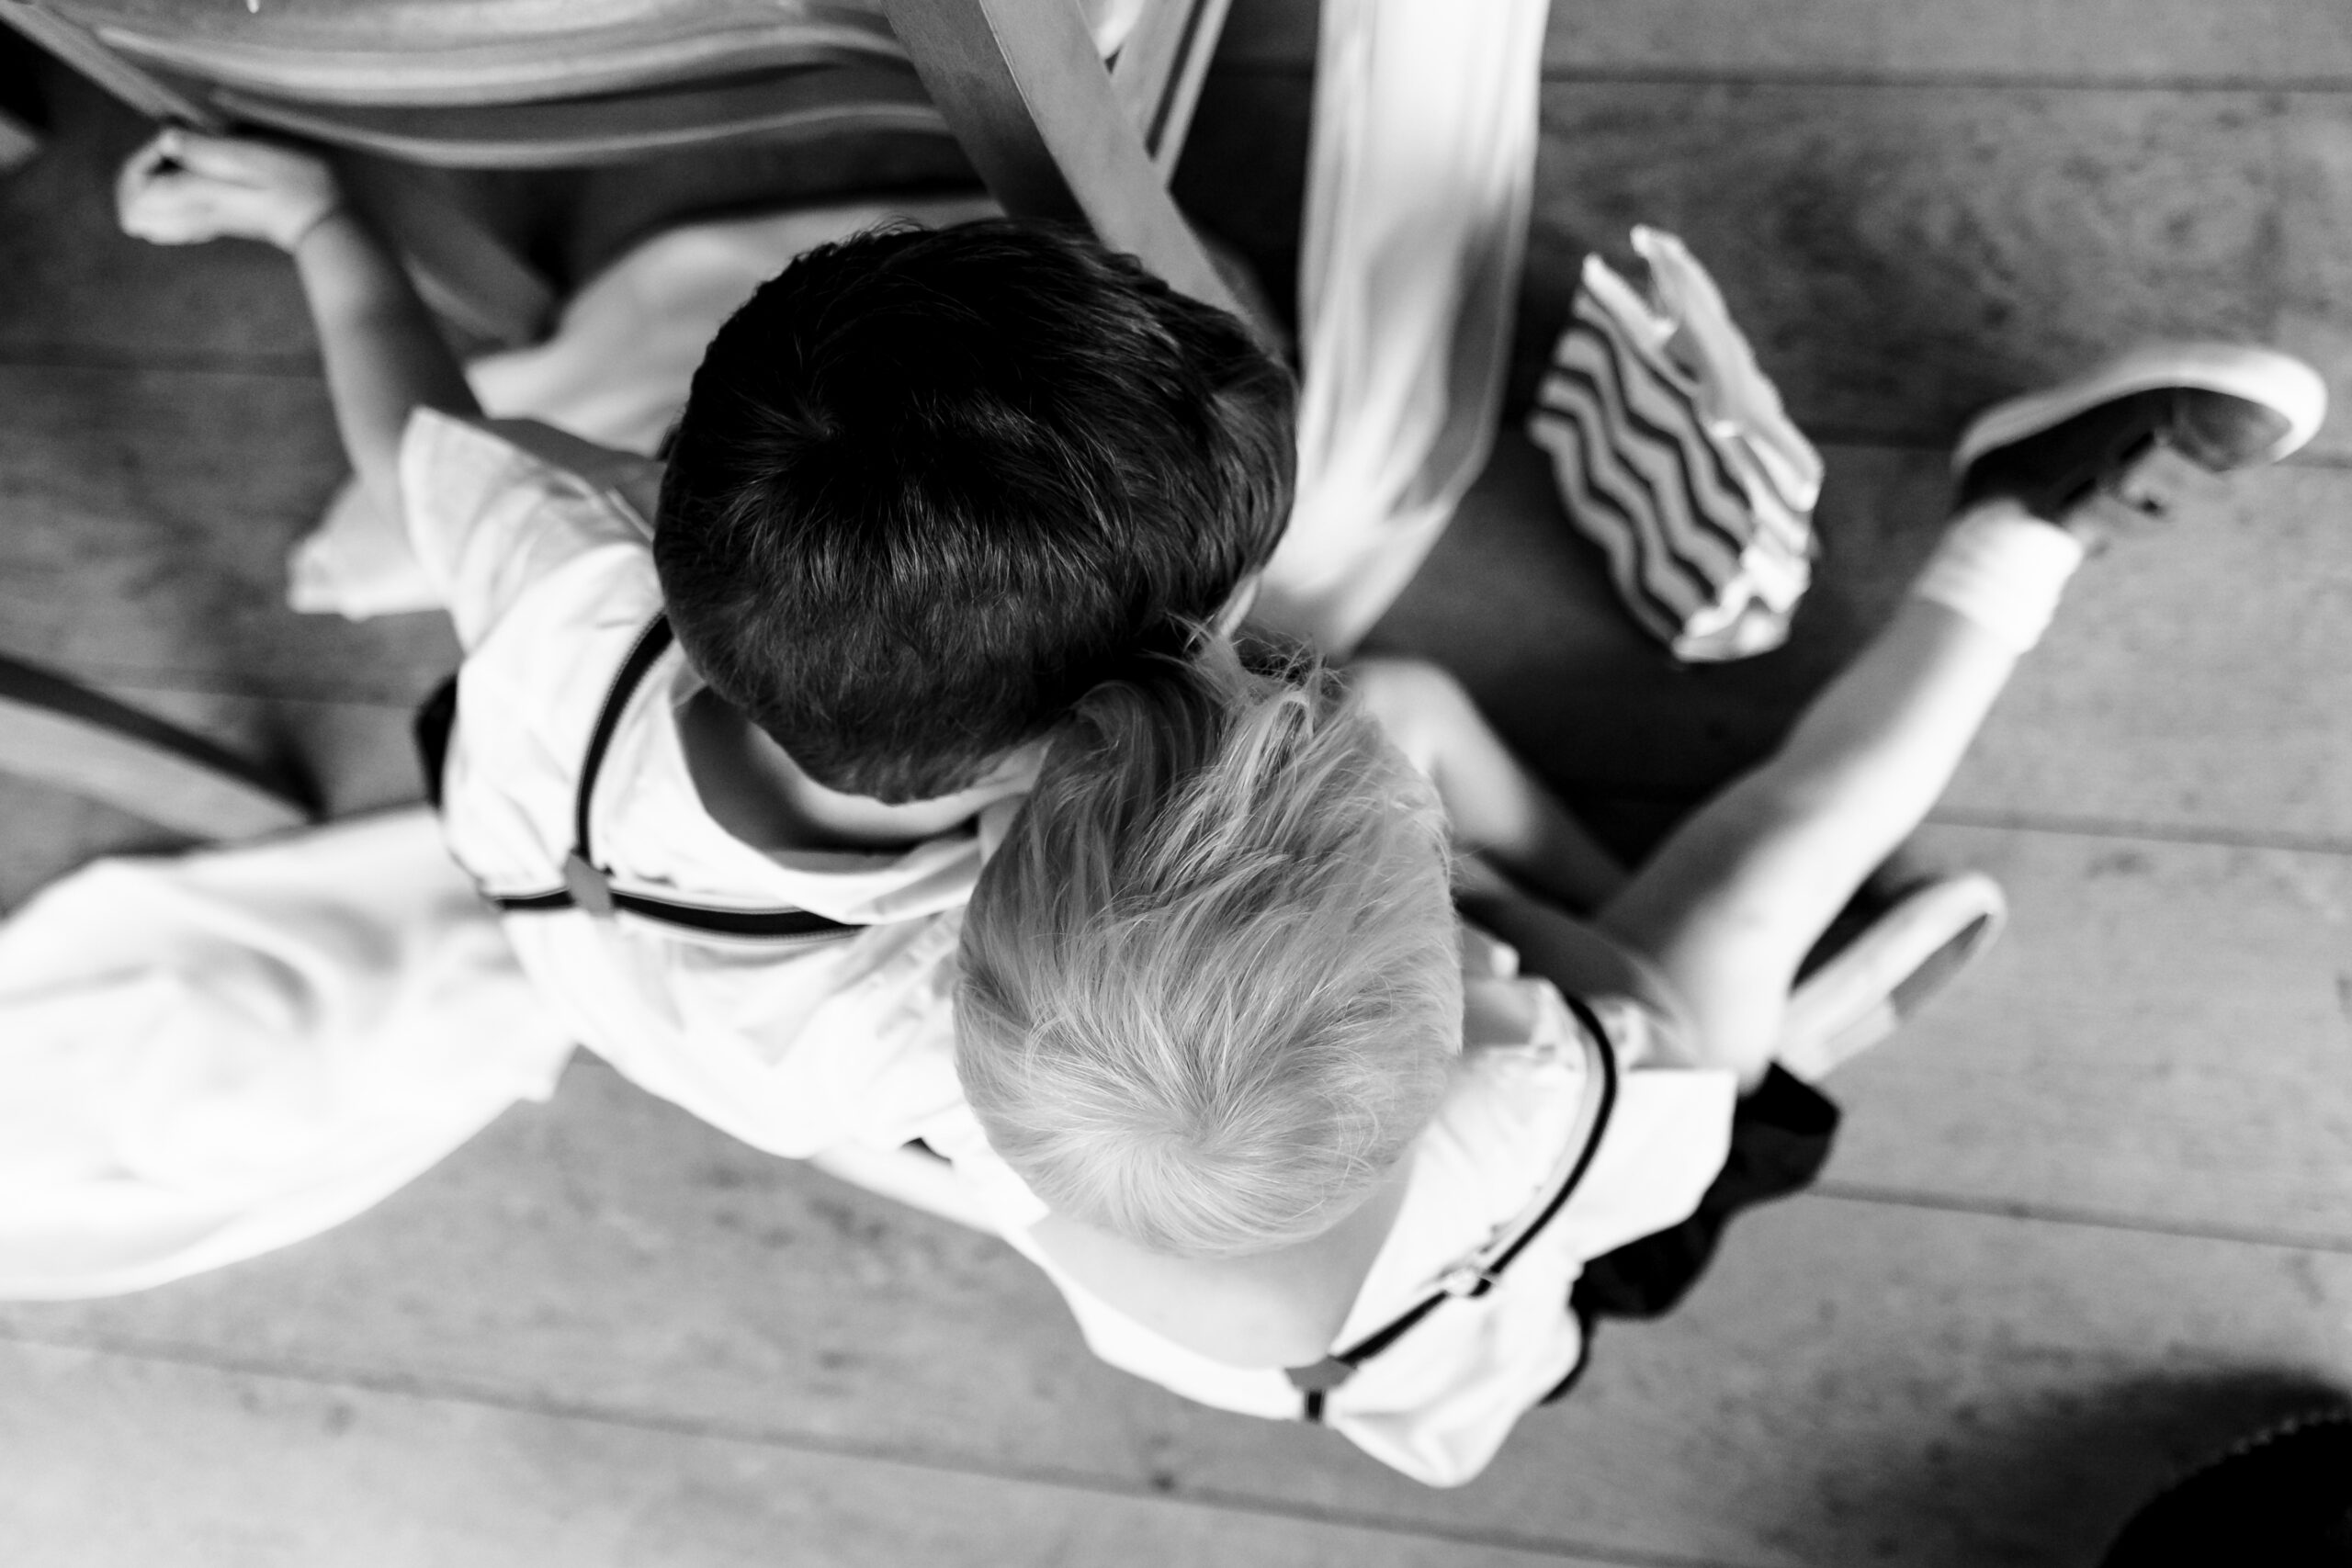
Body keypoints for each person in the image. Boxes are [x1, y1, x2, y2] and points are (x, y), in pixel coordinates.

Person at [109, 128, 1634, 1174]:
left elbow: (419, 450)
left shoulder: (567, 554)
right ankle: (1617, 913)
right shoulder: (1015, 985)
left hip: (627, 933)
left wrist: (321, 221)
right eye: (1224, 622)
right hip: (707, 975)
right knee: (1414, 728)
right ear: (1090, 752)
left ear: (664, 500)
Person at [947, 342, 2329, 1484]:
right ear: (1453, 978)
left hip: (1439, 1273)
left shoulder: (1010, 1123)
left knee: (1407, 715)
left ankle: (1784, 994)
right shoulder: (1541, 1093)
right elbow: (1633, 1020)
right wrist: (1516, 906)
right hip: (1602, 1213)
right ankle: (2024, 521)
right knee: (1761, 874)